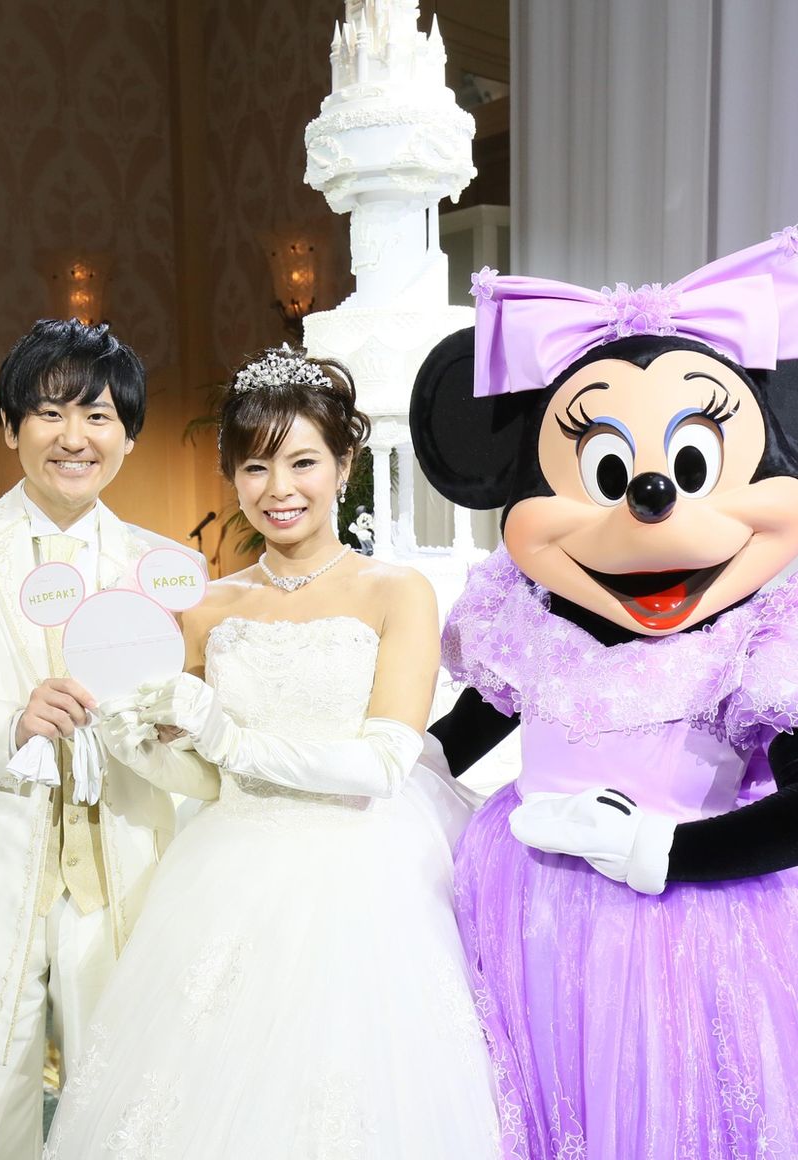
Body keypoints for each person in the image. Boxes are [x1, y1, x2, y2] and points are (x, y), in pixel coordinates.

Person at [44, 346, 500, 1159]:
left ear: (344, 464)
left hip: (363, 872)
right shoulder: (208, 605)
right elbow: (207, 777)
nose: (278, 488)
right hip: (229, 864)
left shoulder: (397, 592)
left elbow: (385, 764)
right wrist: (138, 745)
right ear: (232, 476)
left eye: (302, 462)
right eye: (255, 467)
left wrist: (228, 735)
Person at [412, 241, 798, 1157]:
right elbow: (464, 733)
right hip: (529, 914)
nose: (652, 501)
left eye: (691, 467)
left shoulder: (761, 636)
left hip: (689, 925)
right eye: (610, 474)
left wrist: (665, 850)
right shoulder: (527, 614)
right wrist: (388, 760)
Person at [0, 318, 217, 1160]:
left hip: (125, 867)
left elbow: (192, 746)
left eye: (98, 416)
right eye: (50, 412)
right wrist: (9, 725)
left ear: (128, 438)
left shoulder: (163, 568)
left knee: (121, 1116)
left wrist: (171, 728)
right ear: (9, 426)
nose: (74, 437)